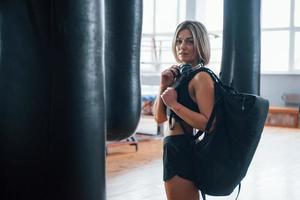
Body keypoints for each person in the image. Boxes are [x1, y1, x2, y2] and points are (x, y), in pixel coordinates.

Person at [153, 20, 214, 200]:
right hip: (171, 148)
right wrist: (163, 84)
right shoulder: (179, 75)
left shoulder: (201, 77)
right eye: (179, 41)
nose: (182, 46)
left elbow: (208, 124)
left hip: (182, 148)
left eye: (190, 41)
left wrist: (174, 105)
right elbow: (159, 118)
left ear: (200, 44)